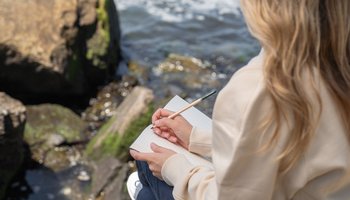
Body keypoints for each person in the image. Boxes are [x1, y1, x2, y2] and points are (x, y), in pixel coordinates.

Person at [129, 0, 350, 199]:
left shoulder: (261, 87)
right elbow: (286, 152)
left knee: (148, 171)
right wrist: (198, 139)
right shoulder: (337, 66)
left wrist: (175, 168)